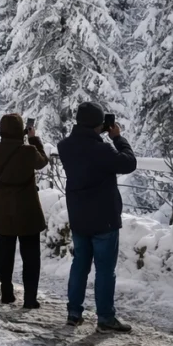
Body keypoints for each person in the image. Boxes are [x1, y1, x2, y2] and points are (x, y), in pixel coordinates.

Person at [57, 101, 138, 332]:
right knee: (104, 270)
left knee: (79, 264)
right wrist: (117, 138)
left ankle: (74, 313)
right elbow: (129, 162)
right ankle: (105, 318)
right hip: (104, 217)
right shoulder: (102, 149)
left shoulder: (65, 146)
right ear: (99, 125)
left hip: (79, 215)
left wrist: (98, 132)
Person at [0, 114, 49, 308]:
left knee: (5, 251)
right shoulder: (29, 151)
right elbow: (43, 161)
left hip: (4, 208)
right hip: (28, 208)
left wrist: (1, 196)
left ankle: (6, 292)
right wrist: (33, 139)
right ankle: (30, 298)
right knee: (31, 256)